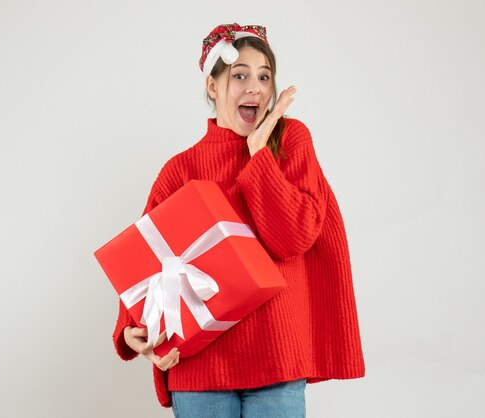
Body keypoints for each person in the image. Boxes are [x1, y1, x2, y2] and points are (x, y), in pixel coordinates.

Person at [112, 23, 365, 417]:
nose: (255, 87)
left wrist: (258, 152)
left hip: (276, 360)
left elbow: (293, 238)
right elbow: (147, 261)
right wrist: (130, 330)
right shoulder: (180, 170)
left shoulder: (291, 143)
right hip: (200, 369)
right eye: (240, 75)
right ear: (212, 87)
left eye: (264, 76)